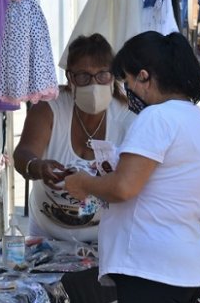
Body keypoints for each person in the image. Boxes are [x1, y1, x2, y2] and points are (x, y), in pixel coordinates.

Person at [65, 31, 200, 303]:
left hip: (151, 269)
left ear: (144, 77)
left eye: (126, 80)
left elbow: (124, 187)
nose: (125, 90)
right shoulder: (195, 119)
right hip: (183, 264)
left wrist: (85, 183)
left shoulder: (156, 118)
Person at [14, 33, 135, 242]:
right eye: (83, 76)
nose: (94, 84)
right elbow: (23, 154)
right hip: (46, 234)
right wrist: (37, 166)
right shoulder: (49, 108)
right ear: (70, 79)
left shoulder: (127, 117)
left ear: (113, 77)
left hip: (105, 238)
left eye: (102, 75)